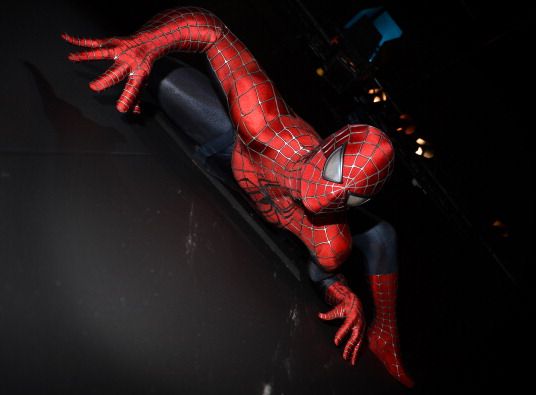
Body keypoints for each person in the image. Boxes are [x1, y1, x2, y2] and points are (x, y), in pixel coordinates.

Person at [62, 7, 414, 387]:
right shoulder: (264, 123)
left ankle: (386, 334)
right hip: (233, 151)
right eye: (334, 175)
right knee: (163, 80)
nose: (326, 196)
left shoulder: (330, 240)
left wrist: (339, 291)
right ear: (328, 146)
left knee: (380, 236)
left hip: (262, 199)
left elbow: (321, 269)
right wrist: (146, 44)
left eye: (350, 197)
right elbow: (211, 30)